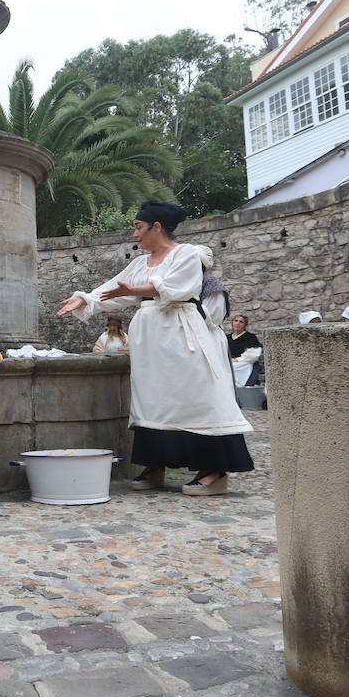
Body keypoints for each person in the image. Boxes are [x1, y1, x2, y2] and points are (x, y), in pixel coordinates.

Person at [57, 201, 254, 497]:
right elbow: (115, 288)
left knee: (199, 396)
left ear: (157, 227)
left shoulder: (187, 253)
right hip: (152, 341)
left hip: (182, 333)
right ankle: (156, 463)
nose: (135, 235)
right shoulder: (140, 263)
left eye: (138, 227)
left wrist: (133, 291)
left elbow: (180, 288)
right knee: (154, 399)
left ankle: (215, 470)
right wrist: (85, 299)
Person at [227, 314, 263, 387]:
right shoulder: (226, 338)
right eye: (236, 321)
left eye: (241, 322)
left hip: (244, 363)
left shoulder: (250, 337)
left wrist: (237, 360)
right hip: (228, 362)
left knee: (232, 368)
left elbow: (253, 355)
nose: (237, 323)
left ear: (245, 325)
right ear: (232, 323)